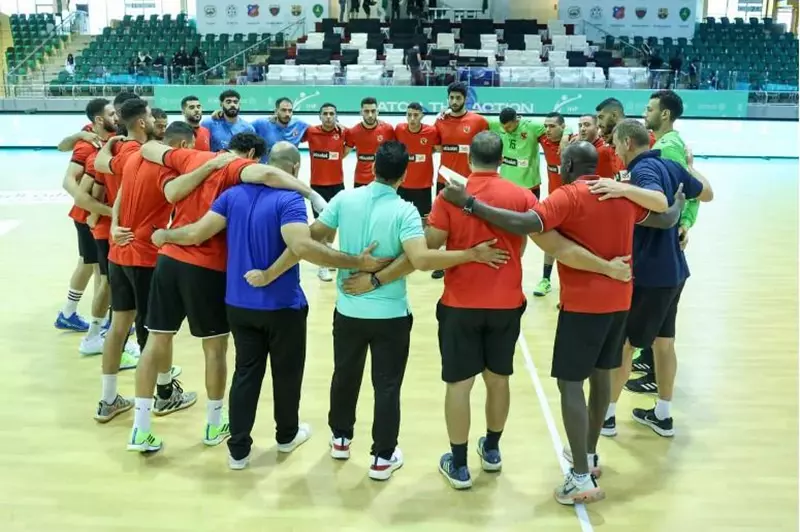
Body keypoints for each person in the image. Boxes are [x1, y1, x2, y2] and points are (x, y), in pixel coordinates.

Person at [438, 140, 685, 503]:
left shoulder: (567, 197)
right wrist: (678, 202)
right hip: (620, 301)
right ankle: (590, 455)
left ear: (567, 165)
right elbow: (665, 219)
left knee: (570, 386)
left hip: (583, 305)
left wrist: (471, 204)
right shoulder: (620, 195)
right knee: (601, 379)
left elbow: (525, 223)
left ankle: (580, 477)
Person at [148, 142, 389, 470]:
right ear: (294, 169)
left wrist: (165, 235)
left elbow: (196, 234)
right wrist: (357, 261)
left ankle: (238, 451)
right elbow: (303, 247)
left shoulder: (232, 196)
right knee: (286, 375)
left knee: (245, 374)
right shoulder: (290, 200)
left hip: (238, 305)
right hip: (282, 307)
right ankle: (287, 435)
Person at [311, 140, 509, 481]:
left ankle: (340, 440)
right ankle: (382, 458)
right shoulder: (404, 211)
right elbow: (421, 260)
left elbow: (314, 237)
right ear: (404, 175)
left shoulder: (344, 199)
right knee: (387, 386)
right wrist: (470, 254)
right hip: (390, 316)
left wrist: (350, 261)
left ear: (372, 167)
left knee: (344, 375)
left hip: (348, 310)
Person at [126, 132, 328, 453]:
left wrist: (163, 234)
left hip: (168, 261)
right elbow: (268, 175)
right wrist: (312, 194)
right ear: (252, 155)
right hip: (205, 268)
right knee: (215, 349)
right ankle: (214, 423)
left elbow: (149, 149)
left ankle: (140, 428)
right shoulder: (238, 167)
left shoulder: (193, 156)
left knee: (156, 341)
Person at [597, 120, 714, 438]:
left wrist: (622, 188)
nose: (615, 150)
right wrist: (690, 167)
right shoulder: (671, 166)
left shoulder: (642, 170)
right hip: (674, 272)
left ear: (627, 143)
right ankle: (662, 415)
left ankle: (606, 418)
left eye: (616, 144)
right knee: (664, 344)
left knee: (625, 346)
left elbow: (659, 201)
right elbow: (706, 193)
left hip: (650, 275)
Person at [629, 90, 699, 395]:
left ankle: (613, 408)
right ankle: (660, 396)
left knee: (636, 337)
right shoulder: (669, 144)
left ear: (665, 114)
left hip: (658, 253)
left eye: (649, 109)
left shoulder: (666, 149)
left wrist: (683, 221)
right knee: (662, 334)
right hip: (667, 257)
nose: (645, 113)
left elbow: (683, 192)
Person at [55, 99, 119, 336]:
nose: (117, 117)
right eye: (112, 113)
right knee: (100, 270)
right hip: (89, 216)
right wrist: (87, 204)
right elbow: (68, 180)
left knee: (89, 263)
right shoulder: (86, 144)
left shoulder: (106, 137)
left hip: (94, 214)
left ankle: (71, 313)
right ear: (100, 119)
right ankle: (97, 322)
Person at [431, 82, 488, 279]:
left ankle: (469, 258)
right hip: (444, 179)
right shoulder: (440, 121)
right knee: (442, 222)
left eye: (458, 98)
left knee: (468, 221)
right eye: (451, 98)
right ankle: (442, 261)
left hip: (469, 181)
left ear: (465, 99)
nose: (454, 101)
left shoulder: (478, 121)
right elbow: (436, 147)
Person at [302, 102, 350, 282]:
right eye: (325, 114)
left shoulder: (343, 132)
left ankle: (328, 254)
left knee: (334, 222)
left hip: (337, 185)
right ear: (320, 116)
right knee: (322, 224)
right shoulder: (311, 131)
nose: (328, 117)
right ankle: (322, 265)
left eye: (331, 114)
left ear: (336, 116)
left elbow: (347, 148)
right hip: (318, 186)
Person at [488, 107, 570, 199]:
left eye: (509, 127)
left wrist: (566, 135)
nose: (506, 130)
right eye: (503, 128)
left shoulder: (532, 126)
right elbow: (478, 120)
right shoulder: (498, 125)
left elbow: (561, 127)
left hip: (529, 185)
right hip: (506, 184)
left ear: (516, 120)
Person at [531, 111, 570, 297]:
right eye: (546, 126)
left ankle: (570, 285)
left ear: (563, 127)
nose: (547, 130)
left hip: (574, 202)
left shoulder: (574, 142)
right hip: (554, 201)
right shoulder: (544, 141)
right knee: (551, 239)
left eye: (552, 126)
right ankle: (545, 279)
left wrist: (567, 135)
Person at [394, 102, 440, 220]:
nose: (412, 118)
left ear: (422, 116)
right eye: (409, 115)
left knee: (424, 221)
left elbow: (437, 148)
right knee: (401, 219)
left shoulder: (431, 131)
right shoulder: (399, 129)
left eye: (415, 115)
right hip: (403, 185)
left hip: (423, 187)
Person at [344, 97, 395, 188]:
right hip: (360, 180)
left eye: (373, 111)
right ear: (361, 112)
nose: (370, 115)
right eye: (366, 111)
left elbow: (394, 154)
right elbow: (341, 155)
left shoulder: (388, 129)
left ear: (377, 112)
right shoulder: (354, 132)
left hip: (382, 180)